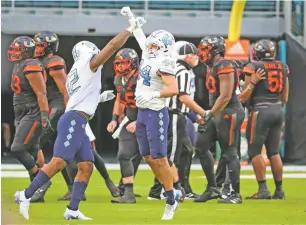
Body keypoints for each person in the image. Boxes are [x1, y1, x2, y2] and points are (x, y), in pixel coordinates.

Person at [14, 13, 146, 220]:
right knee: (59, 161)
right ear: (88, 52)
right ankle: (25, 195)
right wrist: (130, 30)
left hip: (79, 117)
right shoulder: (87, 63)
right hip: (74, 118)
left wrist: (98, 98)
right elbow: (111, 47)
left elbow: (79, 95)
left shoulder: (77, 69)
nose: (97, 53)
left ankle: (73, 209)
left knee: (86, 166)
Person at [121, 6, 180, 220]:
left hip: (155, 113)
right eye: (152, 44)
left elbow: (173, 89)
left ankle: (171, 198)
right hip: (142, 113)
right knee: (147, 156)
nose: (151, 47)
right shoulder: (149, 53)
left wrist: (154, 95)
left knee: (160, 158)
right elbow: (140, 37)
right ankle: (170, 189)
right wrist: (131, 19)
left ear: (165, 48)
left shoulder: (165, 62)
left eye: (156, 45)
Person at [194, 36, 244, 204]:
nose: (202, 53)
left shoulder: (225, 65)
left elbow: (225, 96)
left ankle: (235, 194)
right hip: (218, 112)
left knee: (230, 153)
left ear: (215, 50)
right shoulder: (212, 66)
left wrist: (208, 114)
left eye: (205, 49)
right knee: (200, 147)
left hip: (229, 111)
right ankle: (213, 187)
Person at [242, 40, 289, 200]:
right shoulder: (283, 66)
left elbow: (246, 94)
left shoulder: (253, 67)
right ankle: (279, 190)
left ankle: (263, 189)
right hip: (277, 108)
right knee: (274, 151)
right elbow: (285, 95)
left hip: (260, 110)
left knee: (254, 151)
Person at [8, 36, 52, 193]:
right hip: (21, 110)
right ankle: (36, 189)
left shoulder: (31, 65)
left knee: (17, 148)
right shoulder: (21, 64)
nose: (13, 52)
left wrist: (45, 116)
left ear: (26, 52)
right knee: (32, 151)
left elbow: (41, 93)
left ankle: (41, 179)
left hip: (32, 111)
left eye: (17, 50)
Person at [107, 48, 142, 203]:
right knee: (124, 154)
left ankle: (174, 189)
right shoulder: (118, 79)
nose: (121, 67)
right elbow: (120, 100)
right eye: (119, 63)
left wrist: (139, 121)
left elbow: (150, 103)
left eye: (124, 63)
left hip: (148, 118)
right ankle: (128, 193)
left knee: (157, 158)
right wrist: (114, 118)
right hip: (130, 118)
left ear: (133, 63)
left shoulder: (142, 78)